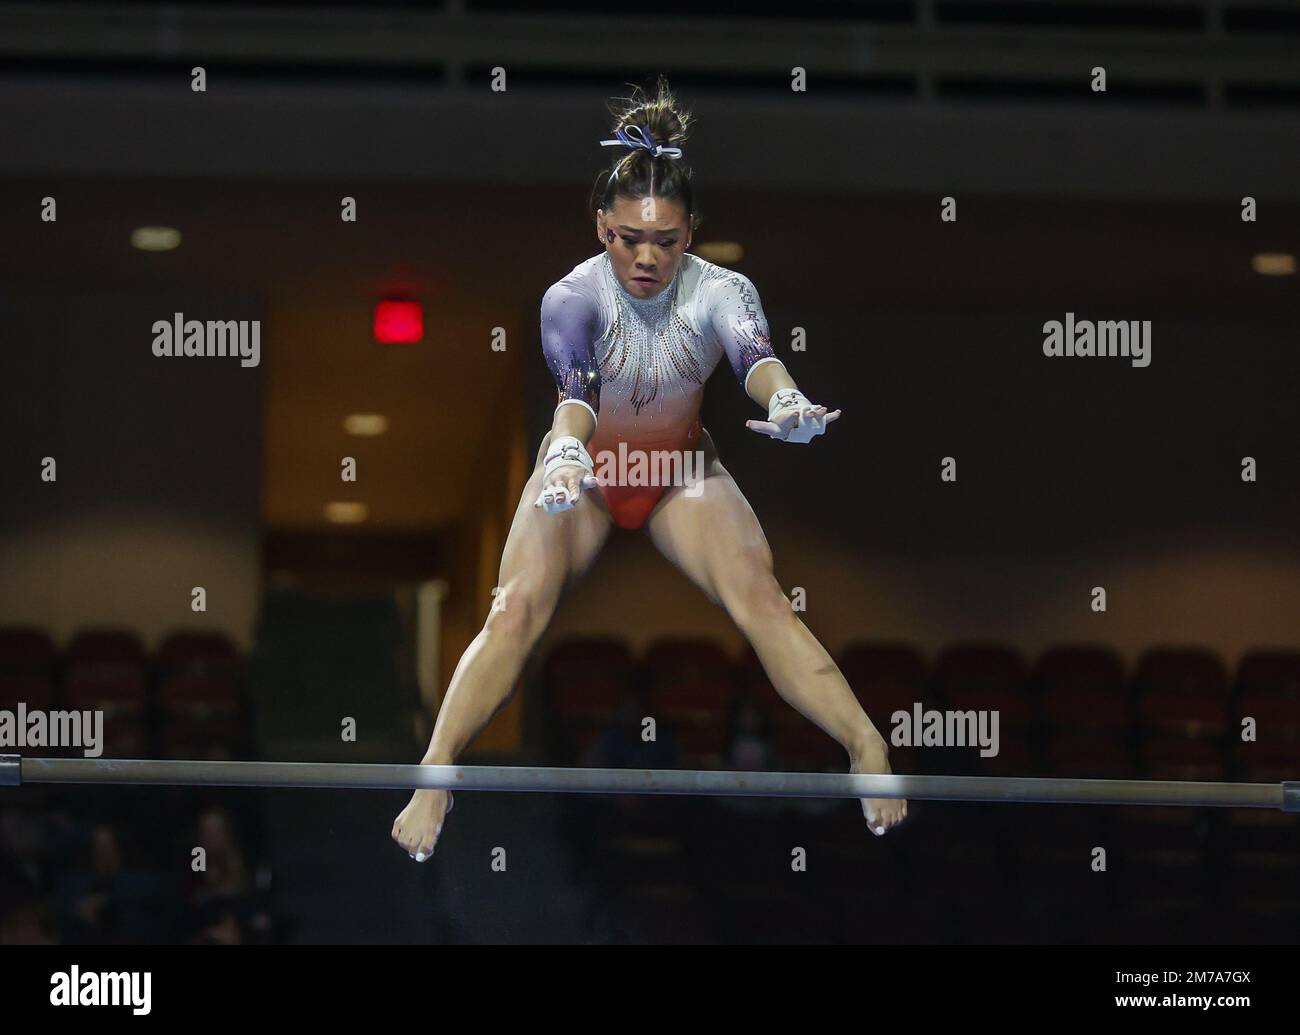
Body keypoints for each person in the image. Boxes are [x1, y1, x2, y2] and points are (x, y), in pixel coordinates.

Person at [392, 76, 906, 863]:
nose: (648, 256)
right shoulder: (571, 296)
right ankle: (437, 768)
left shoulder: (722, 292)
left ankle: (866, 746)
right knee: (515, 608)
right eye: (631, 237)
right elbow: (577, 393)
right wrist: (565, 452)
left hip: (679, 473)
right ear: (602, 226)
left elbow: (756, 360)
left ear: (691, 231)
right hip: (586, 473)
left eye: (667, 239)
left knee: (762, 598)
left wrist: (792, 399)